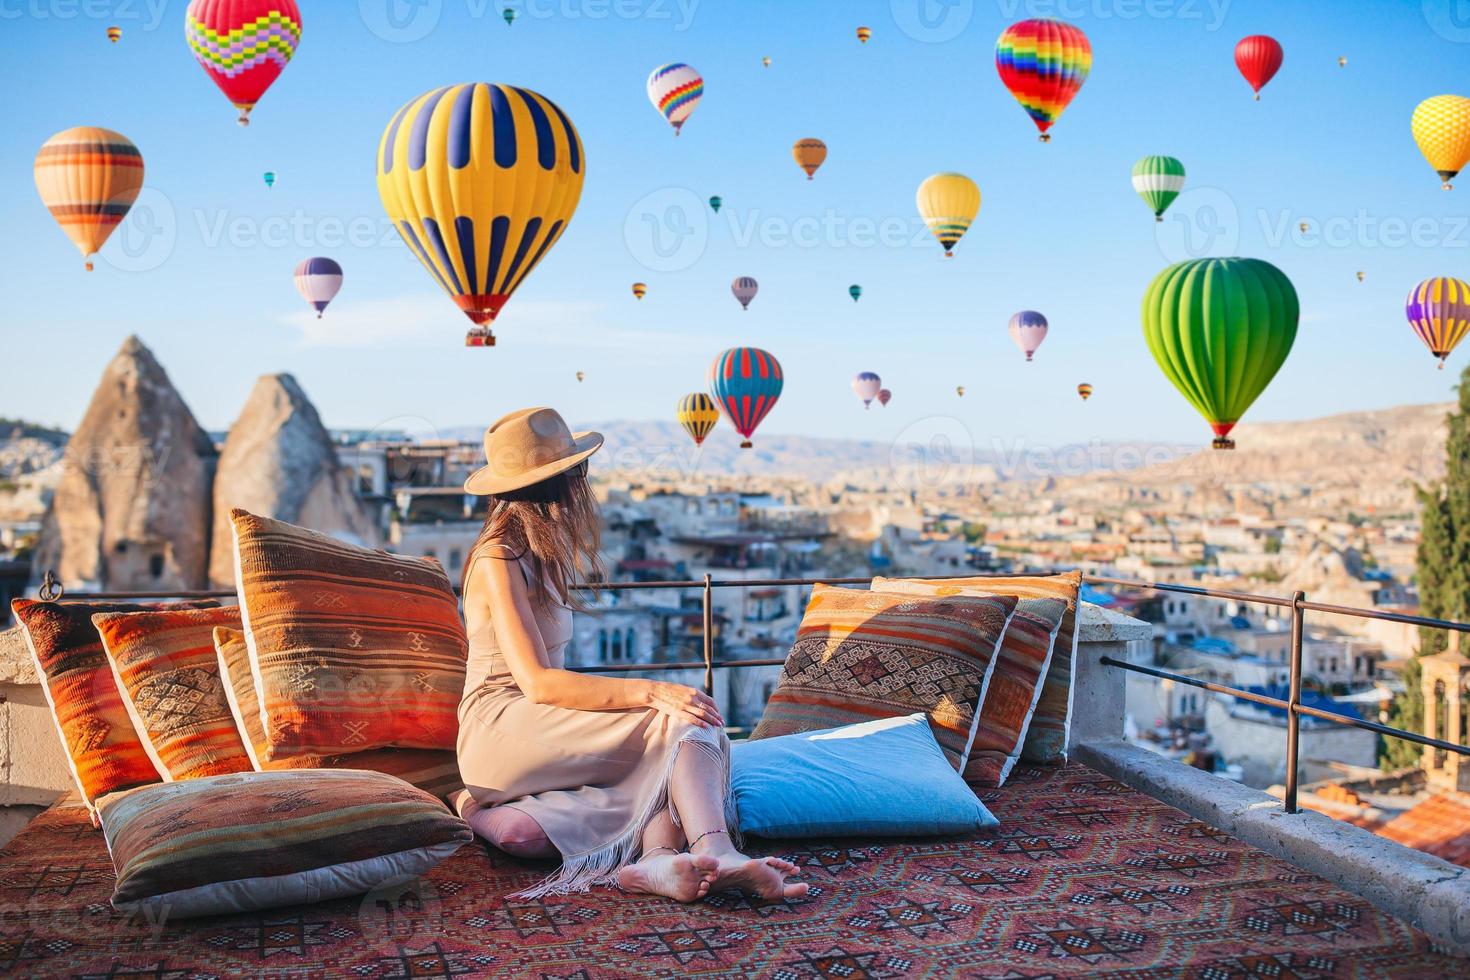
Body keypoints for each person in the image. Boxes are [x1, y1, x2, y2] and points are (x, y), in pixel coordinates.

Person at [451, 407, 807, 904]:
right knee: (686, 723)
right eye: (578, 473)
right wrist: (650, 691)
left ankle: (657, 861)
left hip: (535, 723)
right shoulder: (498, 559)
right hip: (503, 724)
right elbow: (535, 682)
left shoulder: (538, 553)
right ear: (563, 482)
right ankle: (718, 849)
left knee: (552, 823)